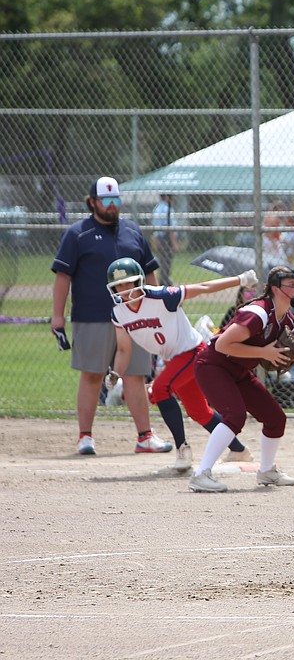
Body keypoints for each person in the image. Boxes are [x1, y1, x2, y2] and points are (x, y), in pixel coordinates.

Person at [50, 176, 172, 456]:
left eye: (116, 200)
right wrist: (57, 316)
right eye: (106, 200)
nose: (112, 205)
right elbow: (62, 277)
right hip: (92, 316)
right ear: (92, 202)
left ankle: (144, 436)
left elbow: (150, 272)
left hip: (134, 317)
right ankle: (85, 437)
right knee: (92, 375)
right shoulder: (77, 233)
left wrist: (156, 307)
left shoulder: (132, 231)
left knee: (135, 375)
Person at [106, 258, 259, 472]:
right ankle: (239, 450)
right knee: (199, 412)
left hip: (193, 351)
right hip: (174, 359)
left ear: (139, 280)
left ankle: (182, 451)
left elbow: (204, 287)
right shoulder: (118, 312)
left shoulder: (161, 297)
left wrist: (240, 280)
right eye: (118, 286)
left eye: (128, 283)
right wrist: (115, 373)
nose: (123, 290)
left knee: (160, 389)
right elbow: (123, 350)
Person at [188, 265, 294, 492]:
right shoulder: (258, 312)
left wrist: (276, 358)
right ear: (273, 288)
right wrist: (264, 353)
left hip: (239, 371)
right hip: (212, 366)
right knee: (235, 415)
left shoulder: (288, 319)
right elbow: (222, 345)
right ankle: (201, 474)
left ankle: (267, 471)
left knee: (275, 417)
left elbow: (265, 350)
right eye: (290, 284)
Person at [150, 193, 180, 286]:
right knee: (166, 260)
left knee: (163, 260)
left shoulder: (157, 208)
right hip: (166, 238)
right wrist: (174, 242)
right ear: (167, 197)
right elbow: (170, 227)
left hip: (159, 237)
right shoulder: (167, 209)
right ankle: (165, 280)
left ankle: (163, 279)